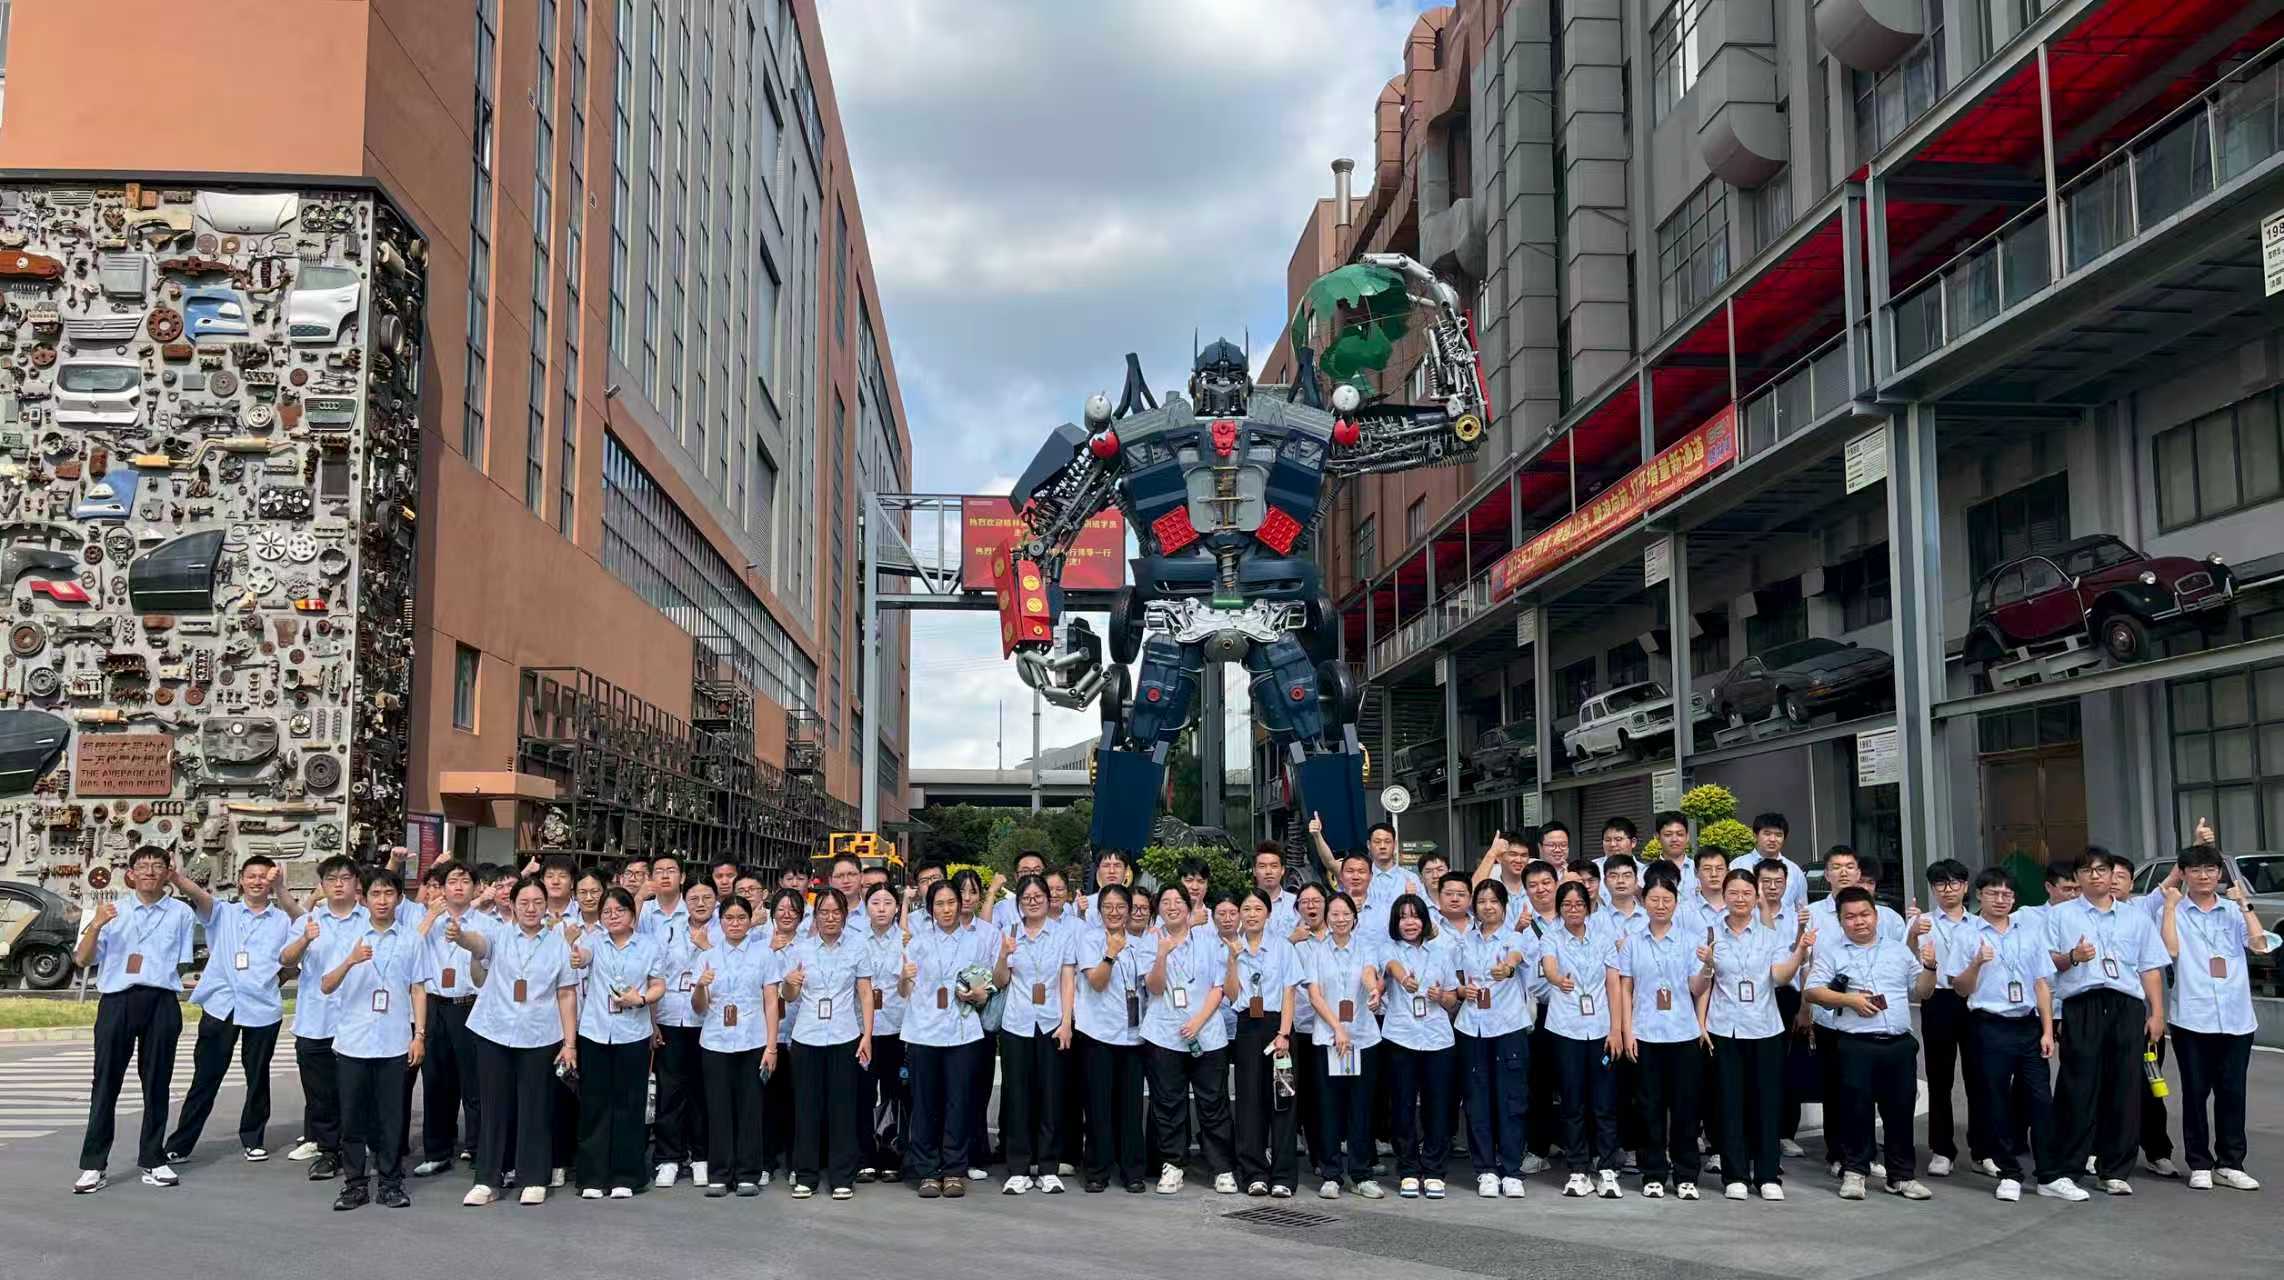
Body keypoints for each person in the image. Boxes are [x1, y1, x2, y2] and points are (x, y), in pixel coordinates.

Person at [69, 846, 198, 1194]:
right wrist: (96, 925)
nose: (150, 872)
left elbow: (182, 962)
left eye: (157, 866)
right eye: (143, 866)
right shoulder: (111, 911)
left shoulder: (181, 913)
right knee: (105, 1084)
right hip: (117, 1001)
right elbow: (82, 959)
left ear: (167, 872)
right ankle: (93, 1164)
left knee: (157, 1083)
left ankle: (153, 1159)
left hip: (161, 1002)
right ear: (131, 872)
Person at [2046, 850, 2169, 1195]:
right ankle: (2068, 1166)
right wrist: (2073, 957)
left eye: (2102, 869)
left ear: (2113, 874)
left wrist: (2156, 1013)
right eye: (2087, 870)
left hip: (2126, 1006)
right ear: (2078, 877)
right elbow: (2046, 963)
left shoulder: (2135, 918)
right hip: (2082, 1004)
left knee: (2124, 1087)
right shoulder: (2060, 915)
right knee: (2077, 1086)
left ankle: (2114, 1169)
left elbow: (2149, 967)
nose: (2095, 876)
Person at [1947, 867, 2072, 1202]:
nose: (2000, 899)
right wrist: (1976, 963)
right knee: (1995, 1100)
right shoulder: (1967, 934)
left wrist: (2047, 1030)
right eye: (1993, 893)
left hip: (2028, 1025)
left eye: (2007, 894)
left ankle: (2050, 1175)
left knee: (2041, 1100)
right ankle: (2009, 1173)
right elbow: (1960, 988)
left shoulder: (2029, 933)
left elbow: (2041, 984)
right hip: (1989, 1024)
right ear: (1980, 896)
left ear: (2014, 898)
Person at [163, 855, 296, 1165]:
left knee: (258, 1077)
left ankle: (253, 1139)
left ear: (271, 882)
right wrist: (175, 878)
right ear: (241, 880)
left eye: (263, 876)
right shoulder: (223, 912)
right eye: (251, 875)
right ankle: (181, 1144)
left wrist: (274, 981)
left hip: (262, 1008)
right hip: (221, 1005)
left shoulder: (282, 920)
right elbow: (200, 896)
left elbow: (294, 957)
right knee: (205, 1077)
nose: (257, 881)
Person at [311, 868, 430, 1210]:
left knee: (392, 1117)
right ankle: (354, 1183)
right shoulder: (349, 937)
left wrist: (419, 1035)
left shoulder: (411, 939)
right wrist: (350, 960)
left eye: (389, 894)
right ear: (363, 898)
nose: (382, 901)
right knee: (352, 1117)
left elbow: (418, 989)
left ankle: (391, 1182)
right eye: (375, 894)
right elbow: (326, 984)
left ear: (398, 898)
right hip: (353, 1041)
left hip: (394, 1041)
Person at [1806, 886, 1936, 1201]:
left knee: (1900, 1112)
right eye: (1850, 917)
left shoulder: (1898, 950)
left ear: (1876, 916)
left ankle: (1901, 1176)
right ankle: (1855, 1172)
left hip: (1898, 1044)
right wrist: (1849, 1000)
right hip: (1856, 1045)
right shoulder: (1832, 952)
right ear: (1840, 921)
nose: (1859, 921)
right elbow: (1812, 991)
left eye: (1864, 914)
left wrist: (1931, 968)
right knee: (1856, 1111)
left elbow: (1922, 991)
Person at [458, 874, 580, 1207]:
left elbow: (566, 994)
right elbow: (478, 945)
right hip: (494, 1030)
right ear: (512, 905)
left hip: (539, 1034)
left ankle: (534, 1177)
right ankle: (488, 1179)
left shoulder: (558, 943)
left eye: (538, 902)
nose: (531, 908)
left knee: (535, 1107)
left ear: (546, 906)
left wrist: (569, 1044)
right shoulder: (499, 934)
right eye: (524, 902)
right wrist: (460, 937)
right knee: (494, 1106)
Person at [2157, 844, 2269, 1192]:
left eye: (2210, 869)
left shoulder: (2234, 910)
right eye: (2195, 870)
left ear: (2220, 874)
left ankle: (2230, 1163)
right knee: (2195, 1092)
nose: (2203, 876)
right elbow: (2170, 950)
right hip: (2193, 1016)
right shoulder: (2174, 909)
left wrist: (2244, 904)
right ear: (2184, 874)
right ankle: (2199, 1162)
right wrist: (2170, 907)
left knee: (2232, 1092)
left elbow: (2260, 945)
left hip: (2236, 1016)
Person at [1701, 867, 1810, 1201]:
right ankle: (1734, 1174)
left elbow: (1779, 977)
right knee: (1729, 1102)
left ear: (1756, 896)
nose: (1740, 899)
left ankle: (1767, 1174)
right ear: (1724, 896)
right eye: (1733, 893)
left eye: (1747, 893)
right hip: (1725, 1028)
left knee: (1766, 1102)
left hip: (1765, 1028)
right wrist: (1701, 1022)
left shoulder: (1769, 935)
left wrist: (1799, 953)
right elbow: (1704, 982)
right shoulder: (1711, 934)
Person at [769, 887, 875, 1201]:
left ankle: (843, 1177)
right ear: (814, 917)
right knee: (806, 1108)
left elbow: (865, 994)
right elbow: (789, 997)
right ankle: (806, 1175)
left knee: (843, 1108)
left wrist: (867, 1035)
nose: (830, 918)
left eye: (836, 912)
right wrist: (789, 984)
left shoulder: (858, 946)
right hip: (807, 1036)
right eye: (824, 912)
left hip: (844, 1035)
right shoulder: (801, 949)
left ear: (844, 915)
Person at [568, 887, 666, 1199]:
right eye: (607, 912)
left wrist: (641, 999)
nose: (613, 916)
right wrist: (575, 951)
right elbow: (581, 958)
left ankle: (627, 1176)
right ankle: (592, 1177)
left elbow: (658, 985)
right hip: (595, 1032)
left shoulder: (648, 945)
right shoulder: (594, 941)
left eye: (619, 910)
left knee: (629, 1104)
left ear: (632, 915)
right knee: (594, 1104)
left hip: (633, 1033)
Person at [1138, 882, 1234, 1195]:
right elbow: (1154, 988)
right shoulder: (1150, 941)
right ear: (1158, 909)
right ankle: (1173, 1164)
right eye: (1165, 902)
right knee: (1168, 1103)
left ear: (1188, 905)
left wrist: (1198, 1021)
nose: (1172, 906)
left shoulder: (1209, 940)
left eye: (1177, 901)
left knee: (1213, 1102)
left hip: (1207, 1034)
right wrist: (1161, 955)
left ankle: (1221, 1167)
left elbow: (1219, 987)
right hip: (1164, 1034)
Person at [278, 854, 370, 1179]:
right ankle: (329, 1152)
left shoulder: (370, 920)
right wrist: (305, 939)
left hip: (358, 1020)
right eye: (331, 879)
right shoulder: (308, 921)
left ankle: (355, 1148)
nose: (339, 884)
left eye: (345, 878)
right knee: (320, 1094)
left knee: (356, 1091)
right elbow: (286, 959)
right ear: (322, 885)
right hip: (315, 1020)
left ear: (356, 883)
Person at [901, 880, 995, 1198]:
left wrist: (977, 994)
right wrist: (903, 978)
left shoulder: (975, 942)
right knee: (925, 1103)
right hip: (923, 1031)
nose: (946, 909)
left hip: (962, 1031)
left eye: (951, 902)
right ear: (930, 909)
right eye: (939, 904)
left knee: (959, 1102)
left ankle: (954, 1169)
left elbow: (986, 987)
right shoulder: (917, 944)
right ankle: (928, 1171)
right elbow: (904, 990)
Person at [1621, 873, 1704, 1199]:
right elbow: (1626, 989)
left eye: (1666, 900)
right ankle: (1652, 1172)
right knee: (1648, 1108)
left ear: (1676, 903)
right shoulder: (1633, 942)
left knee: (1685, 1108)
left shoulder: (1689, 941)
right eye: (1654, 900)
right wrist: (1627, 1031)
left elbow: (1696, 988)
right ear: (1644, 902)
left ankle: (1686, 1174)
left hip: (1683, 1033)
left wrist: (1707, 968)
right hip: (1646, 1033)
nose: (1660, 905)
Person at [1541, 881, 1624, 1199]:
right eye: (1567, 904)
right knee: (1572, 1101)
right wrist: (1556, 979)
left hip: (1601, 1028)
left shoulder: (1603, 939)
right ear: (1559, 909)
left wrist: (1616, 1030)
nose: (1573, 909)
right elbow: (1549, 967)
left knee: (1604, 1103)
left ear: (1588, 908)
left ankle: (1607, 1168)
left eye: (1579, 904)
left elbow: (1614, 985)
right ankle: (1578, 1169)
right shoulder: (1551, 937)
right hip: (1566, 1029)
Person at [402, 861, 485, 1178]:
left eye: (465, 880)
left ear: (475, 888)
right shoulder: (427, 921)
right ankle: (437, 1151)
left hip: (470, 1005)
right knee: (436, 1082)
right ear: (442, 888)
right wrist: (430, 916)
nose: (458, 886)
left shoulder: (486, 922)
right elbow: (405, 951)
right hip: (435, 1005)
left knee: (475, 1083)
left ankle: (478, 1149)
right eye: (452, 881)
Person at [1455, 879, 1535, 1198]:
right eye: (1482, 901)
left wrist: (1508, 969)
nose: (1488, 907)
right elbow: (1455, 981)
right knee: (1478, 1100)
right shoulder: (1465, 941)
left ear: (1504, 905)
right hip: (1472, 1027)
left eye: (1494, 901)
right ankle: (1485, 1169)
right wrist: (1462, 990)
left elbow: (1514, 958)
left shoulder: (1516, 937)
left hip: (1508, 1026)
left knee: (1512, 1099)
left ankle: (1512, 1169)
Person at [1222, 888, 1303, 1198]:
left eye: (1258, 908)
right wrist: (1233, 959)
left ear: (1268, 913)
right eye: (1247, 909)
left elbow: (1289, 992)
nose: (1252, 914)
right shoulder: (1234, 947)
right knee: (1249, 1101)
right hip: (1247, 1027)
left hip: (1277, 1027)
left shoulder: (1282, 947)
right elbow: (1232, 995)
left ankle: (1283, 1175)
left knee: (1283, 1099)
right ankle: (1254, 1172)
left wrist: (1284, 1033)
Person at [996, 874, 1074, 1194]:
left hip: (1051, 1022)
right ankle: (1018, 1167)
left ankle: (1047, 1166)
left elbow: (1067, 979)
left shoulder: (1062, 934)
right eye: (1026, 898)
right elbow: (999, 980)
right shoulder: (1009, 933)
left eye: (1038, 896)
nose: (1033, 902)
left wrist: (1067, 1022)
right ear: (1019, 903)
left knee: (1051, 1095)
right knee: (1017, 1095)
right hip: (1017, 1023)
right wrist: (1004, 955)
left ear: (1047, 899)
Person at [1379, 894, 1460, 1199]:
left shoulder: (1441, 951)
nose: (1409, 923)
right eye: (1403, 917)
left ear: (1425, 920)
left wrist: (1441, 997)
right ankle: (1409, 1170)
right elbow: (1391, 967)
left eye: (1414, 916)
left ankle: (1435, 1170)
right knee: (1402, 1106)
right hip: (1401, 1036)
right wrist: (1405, 980)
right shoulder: (1388, 947)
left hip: (1438, 1038)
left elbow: (1453, 999)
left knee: (1437, 1106)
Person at [1306, 891, 1385, 1199]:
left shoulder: (1366, 947)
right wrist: (1338, 1028)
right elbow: (1315, 996)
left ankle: (1361, 1174)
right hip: (1328, 1039)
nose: (1340, 919)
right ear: (1327, 918)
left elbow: (1368, 974)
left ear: (1355, 917)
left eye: (1346, 914)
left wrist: (1373, 990)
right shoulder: (1316, 951)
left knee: (1361, 1107)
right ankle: (1331, 1174)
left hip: (1362, 1038)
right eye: (1334, 914)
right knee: (1329, 1107)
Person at [693, 895, 772, 1197]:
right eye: (729, 918)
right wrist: (701, 986)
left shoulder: (764, 954)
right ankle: (719, 1173)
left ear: (750, 921)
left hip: (753, 1039)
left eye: (741, 918)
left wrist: (771, 1046)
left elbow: (770, 1001)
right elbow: (698, 1007)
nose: (735, 923)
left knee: (750, 1108)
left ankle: (748, 1173)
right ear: (721, 921)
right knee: (718, 1109)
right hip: (716, 1041)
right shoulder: (707, 956)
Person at [1074, 884, 1148, 1193]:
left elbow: (1148, 986)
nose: (1114, 912)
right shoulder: (1089, 940)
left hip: (1133, 1036)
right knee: (1098, 1106)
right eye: (1108, 907)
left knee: (1131, 1107)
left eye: (1121, 907)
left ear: (1129, 910)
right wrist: (1110, 954)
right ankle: (1097, 1170)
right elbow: (1097, 982)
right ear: (1099, 910)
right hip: (1098, 1033)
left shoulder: (1140, 944)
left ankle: (1132, 1171)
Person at [1916, 857, 1985, 1178]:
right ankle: (1942, 1150)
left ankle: (1982, 1150)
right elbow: (1908, 960)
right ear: (1933, 888)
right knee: (1939, 1078)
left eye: (1954, 882)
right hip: (1938, 1000)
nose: (1948, 889)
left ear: (1965, 886)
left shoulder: (1979, 924)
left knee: (1979, 1077)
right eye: (1940, 883)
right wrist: (1912, 934)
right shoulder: (1922, 923)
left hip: (1975, 1001)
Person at [652, 881, 715, 1188]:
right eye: (694, 898)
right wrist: (652, 1022)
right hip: (671, 1017)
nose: (700, 903)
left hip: (708, 1021)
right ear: (684, 900)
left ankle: (701, 1155)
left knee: (702, 1092)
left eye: (707, 897)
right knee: (670, 1091)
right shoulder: (668, 930)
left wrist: (707, 947)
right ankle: (668, 1157)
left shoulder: (725, 928)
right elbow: (654, 975)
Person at [852, 882, 909, 1184]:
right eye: (875, 903)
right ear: (866, 907)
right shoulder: (855, 940)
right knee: (863, 1093)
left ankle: (890, 1155)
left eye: (888, 903)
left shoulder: (907, 941)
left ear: (897, 907)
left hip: (897, 1027)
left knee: (893, 1093)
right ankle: (864, 1157)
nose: (882, 909)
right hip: (863, 1029)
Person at [1312, 818, 1423, 938]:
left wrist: (1412, 899)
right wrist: (1317, 836)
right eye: (1377, 842)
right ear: (1369, 845)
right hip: (1359, 940)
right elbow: (1330, 862)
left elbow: (1423, 914)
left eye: (1387, 842)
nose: (1382, 846)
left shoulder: (1410, 878)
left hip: (1397, 942)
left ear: (1394, 845)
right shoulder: (1358, 874)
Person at [1732, 814, 1808, 917]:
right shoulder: (1737, 866)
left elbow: (1802, 909)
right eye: (1767, 834)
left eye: (1778, 835)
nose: (1772, 839)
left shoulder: (1794, 871)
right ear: (1755, 835)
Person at [1252, 843, 1301, 937]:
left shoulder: (1296, 904)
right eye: (1262, 866)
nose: (1268, 872)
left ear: (1282, 870)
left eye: (1274, 866)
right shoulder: (1244, 905)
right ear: (1254, 871)